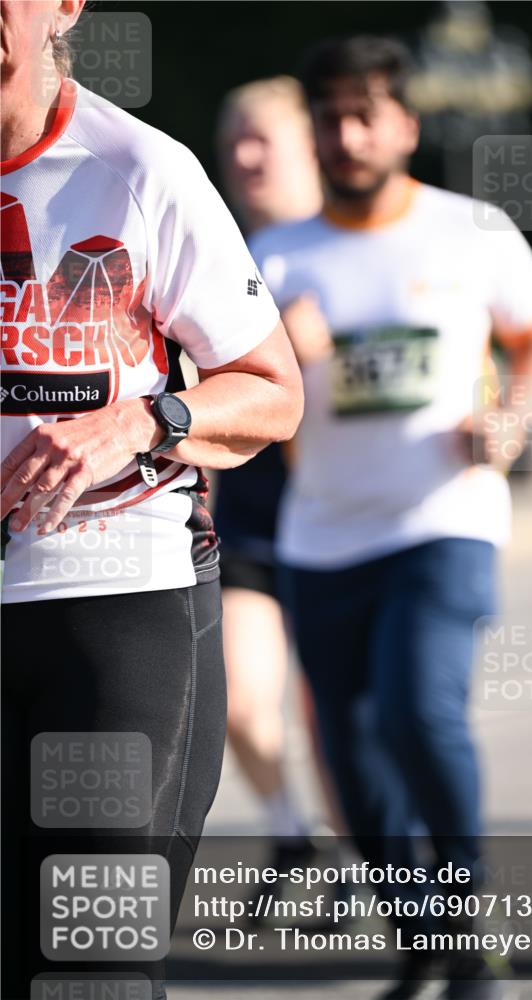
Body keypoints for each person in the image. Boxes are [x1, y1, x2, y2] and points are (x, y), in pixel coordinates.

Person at [251, 35, 532, 1000]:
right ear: (311, 132)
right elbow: (238, 395)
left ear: (404, 124)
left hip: (445, 519)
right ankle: (425, 939)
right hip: (322, 535)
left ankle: (470, 932)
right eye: (329, 118)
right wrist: (277, 356)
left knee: (416, 711)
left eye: (364, 113)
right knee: (351, 763)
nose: (347, 134)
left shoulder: (470, 229)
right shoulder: (275, 254)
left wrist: (511, 418)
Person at [0, 4, 303, 999]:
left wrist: (138, 420)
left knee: (89, 968)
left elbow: (271, 391)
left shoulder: (138, 169)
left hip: (112, 602)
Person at [212, 78, 344, 859]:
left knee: (338, 725)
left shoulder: (352, 242)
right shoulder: (216, 247)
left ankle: (389, 882)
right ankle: (293, 835)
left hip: (344, 518)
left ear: (310, 147)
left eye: (262, 137)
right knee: (239, 701)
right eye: (234, 140)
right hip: (253, 522)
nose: (243, 155)